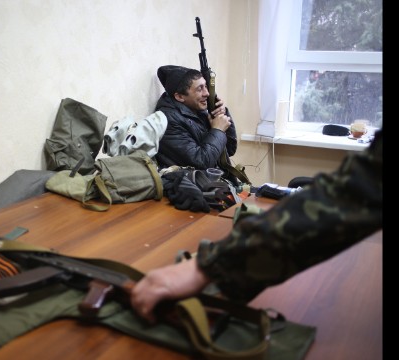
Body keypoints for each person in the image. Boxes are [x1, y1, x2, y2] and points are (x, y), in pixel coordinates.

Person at [131, 129, 383, 323]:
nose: (205, 92)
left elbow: (355, 193)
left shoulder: (204, 115)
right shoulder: (175, 122)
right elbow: (202, 159)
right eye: (198, 87)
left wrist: (212, 265)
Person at [155, 65, 239, 185]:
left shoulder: (198, 110)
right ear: (179, 96)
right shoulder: (169, 121)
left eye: (206, 86)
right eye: (200, 89)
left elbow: (230, 149)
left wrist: (222, 113)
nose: (207, 93)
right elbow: (200, 162)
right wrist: (218, 130)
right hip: (199, 189)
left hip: (218, 184)